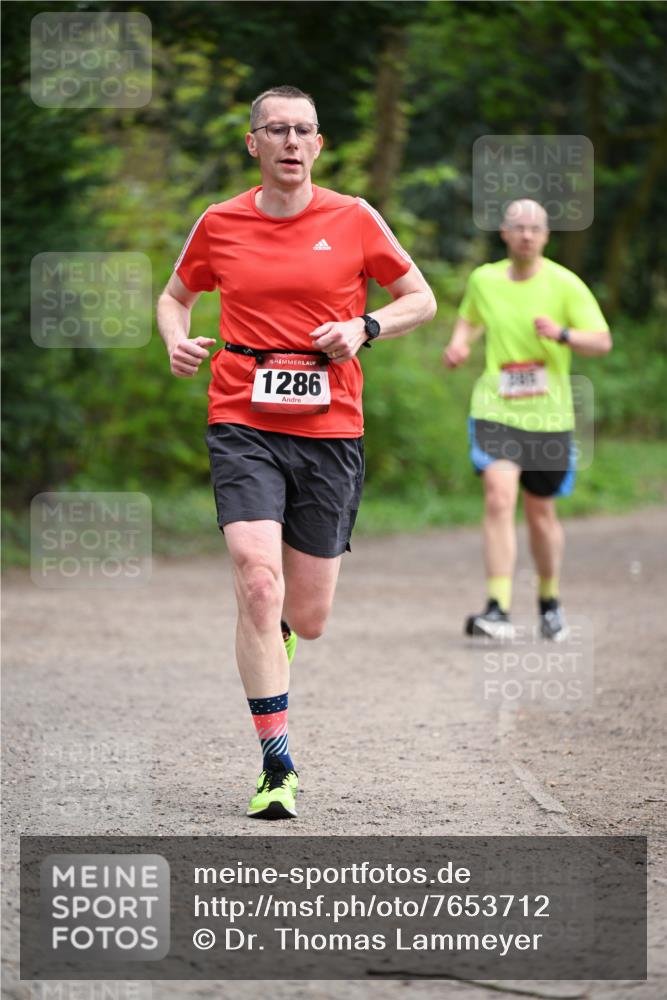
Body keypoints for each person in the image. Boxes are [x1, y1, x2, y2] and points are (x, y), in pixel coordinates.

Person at [157, 85, 436, 819]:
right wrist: (174, 340)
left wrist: (366, 326)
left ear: (318, 144)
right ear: (253, 142)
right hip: (241, 418)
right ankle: (276, 762)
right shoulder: (219, 223)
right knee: (256, 579)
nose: (289, 141)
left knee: (305, 618)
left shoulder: (353, 217)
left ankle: (276, 636)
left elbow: (421, 298)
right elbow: (173, 297)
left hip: (329, 428)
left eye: (303, 130)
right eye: (275, 129)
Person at [443, 199, 611, 641]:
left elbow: (602, 341)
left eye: (535, 227)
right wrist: (460, 344)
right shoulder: (485, 279)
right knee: (499, 499)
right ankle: (497, 608)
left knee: (540, 513)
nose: (526, 234)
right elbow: (469, 320)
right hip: (496, 408)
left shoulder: (565, 284)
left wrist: (563, 334)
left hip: (549, 415)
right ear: (504, 232)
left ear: (547, 234)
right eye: (518, 227)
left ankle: (549, 602)